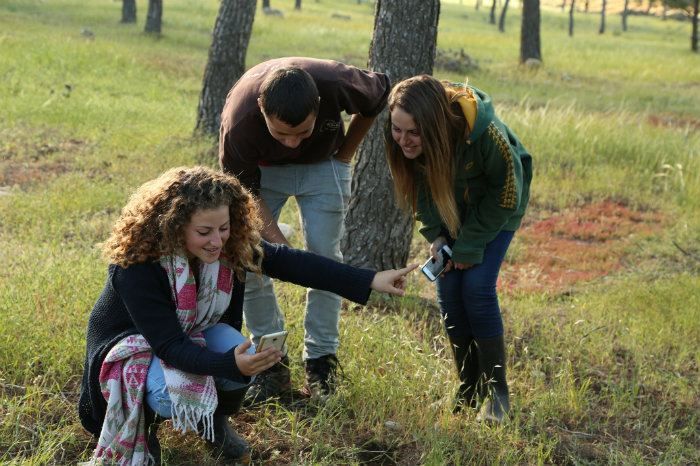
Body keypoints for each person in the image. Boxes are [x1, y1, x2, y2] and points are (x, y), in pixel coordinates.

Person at [77, 166, 417, 465]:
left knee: (242, 352)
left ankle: (213, 423)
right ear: (174, 226)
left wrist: (370, 279)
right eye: (204, 232)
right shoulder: (137, 266)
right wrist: (229, 365)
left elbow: (293, 262)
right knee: (171, 391)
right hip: (133, 346)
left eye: (223, 227)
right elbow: (169, 346)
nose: (216, 241)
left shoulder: (230, 244)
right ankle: (144, 427)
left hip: (192, 331)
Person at [219, 57, 391, 404]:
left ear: (319, 107)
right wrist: (285, 251)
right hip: (262, 173)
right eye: (281, 132)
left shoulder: (336, 83)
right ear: (260, 109)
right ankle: (272, 363)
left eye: (303, 132)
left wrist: (344, 155)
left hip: (324, 164)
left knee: (327, 257)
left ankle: (321, 362)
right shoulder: (238, 124)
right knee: (249, 259)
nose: (292, 143)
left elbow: (377, 96)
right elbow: (246, 197)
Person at [384, 75, 532, 424]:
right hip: (452, 205)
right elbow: (420, 188)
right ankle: (468, 387)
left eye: (413, 133)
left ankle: (497, 391)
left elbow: (506, 191)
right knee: (448, 287)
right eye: (396, 129)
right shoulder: (405, 140)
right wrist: (436, 234)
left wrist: (469, 244)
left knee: (477, 287)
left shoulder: (486, 133)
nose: (403, 140)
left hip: (497, 209)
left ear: (435, 126)